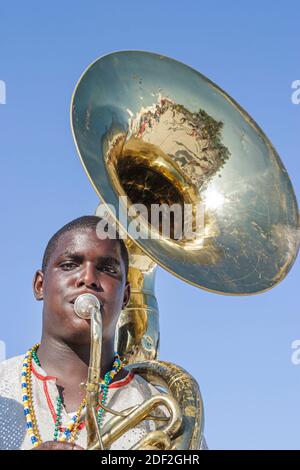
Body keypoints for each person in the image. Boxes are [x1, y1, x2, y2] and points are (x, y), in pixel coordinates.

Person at [0, 215, 207, 450]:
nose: (88, 279)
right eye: (69, 265)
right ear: (40, 285)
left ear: (125, 297)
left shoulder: (162, 414)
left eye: (107, 269)